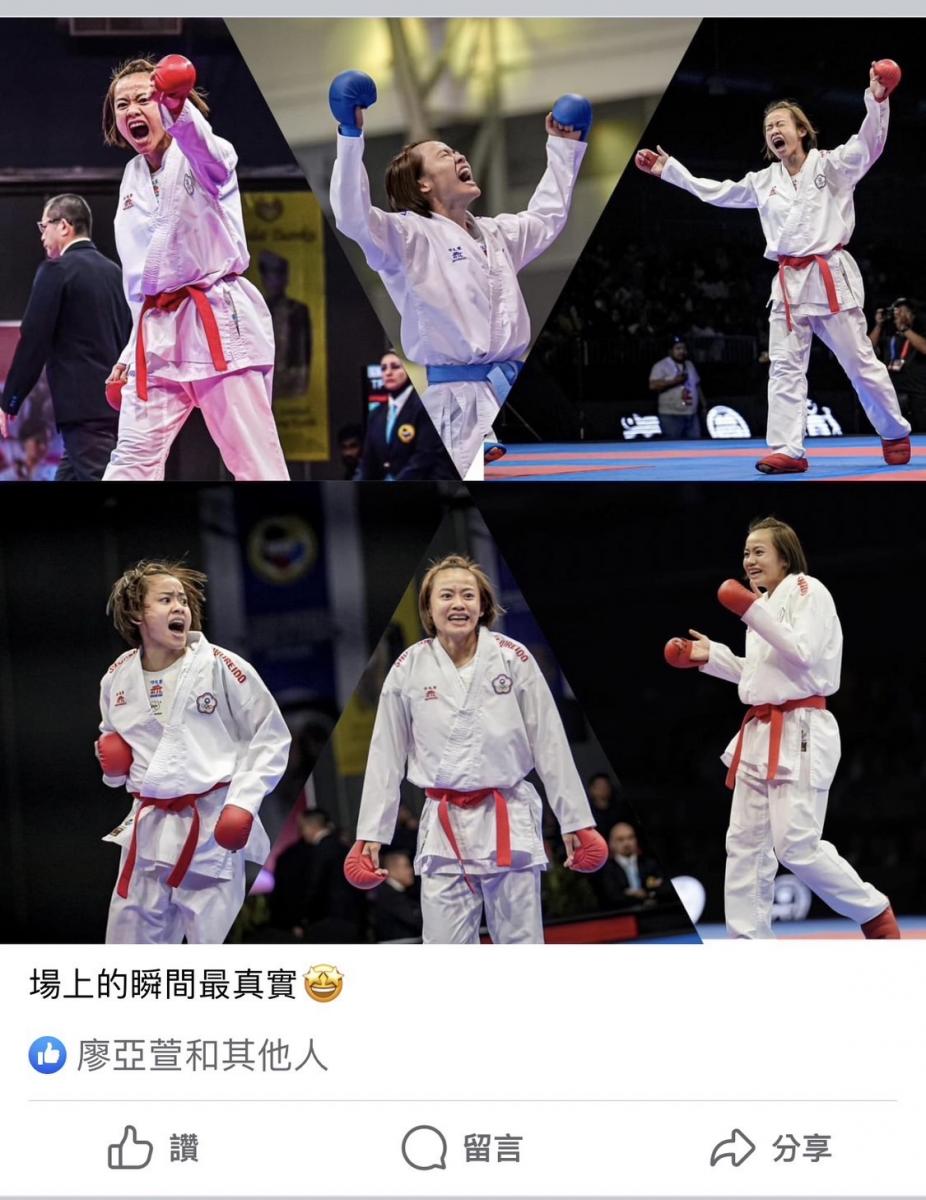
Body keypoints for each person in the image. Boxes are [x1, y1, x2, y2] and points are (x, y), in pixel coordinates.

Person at [636, 63, 911, 473]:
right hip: (787, 284)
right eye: (768, 128)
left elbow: (869, 144)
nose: (773, 131)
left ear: (801, 130)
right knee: (784, 368)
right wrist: (670, 171)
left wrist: (878, 98)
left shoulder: (831, 166)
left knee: (859, 364)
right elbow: (719, 193)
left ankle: (893, 430)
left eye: (780, 124)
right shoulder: (764, 181)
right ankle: (788, 450)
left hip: (828, 275)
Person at [328, 70, 590, 480]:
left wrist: (563, 147)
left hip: (514, 385)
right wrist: (349, 134)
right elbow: (352, 217)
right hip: (457, 402)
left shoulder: (497, 233)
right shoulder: (406, 236)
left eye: (456, 151)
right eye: (445, 155)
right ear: (423, 184)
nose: (460, 157)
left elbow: (547, 217)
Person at [343, 553, 606, 944]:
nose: (458, 604)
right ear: (429, 608)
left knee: (521, 945)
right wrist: (371, 834)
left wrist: (576, 821)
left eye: (468, 595)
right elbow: (386, 756)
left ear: (483, 606)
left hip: (508, 817)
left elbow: (550, 743)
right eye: (446, 595)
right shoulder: (407, 668)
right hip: (444, 828)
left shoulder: (514, 659)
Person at [664, 517, 900, 939]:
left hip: (802, 727)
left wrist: (751, 611)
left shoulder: (809, 591)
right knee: (744, 845)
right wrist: (711, 656)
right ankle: (749, 944)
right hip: (760, 730)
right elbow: (761, 677)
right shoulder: (766, 605)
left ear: (785, 557)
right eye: (746, 553)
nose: (749, 560)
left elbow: (803, 654)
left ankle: (873, 911)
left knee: (796, 845)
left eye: (759, 552)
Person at [100, 55, 289, 481]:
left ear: (166, 102)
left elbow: (212, 155)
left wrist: (180, 106)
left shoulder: (205, 153)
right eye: (121, 105)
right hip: (156, 334)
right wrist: (130, 352)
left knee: (254, 464)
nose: (131, 111)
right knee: (130, 461)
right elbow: (139, 281)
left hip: (215, 321)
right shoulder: (131, 177)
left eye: (143, 99)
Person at [96, 560, 291, 943]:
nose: (180, 608)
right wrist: (113, 767)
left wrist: (244, 802)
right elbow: (110, 738)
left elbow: (271, 737)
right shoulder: (117, 676)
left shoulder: (223, 667)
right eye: (166, 600)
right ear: (136, 614)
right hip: (148, 830)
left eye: (183, 600)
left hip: (211, 828)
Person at [0, 194, 131, 480]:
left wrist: (10, 399)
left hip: (84, 414)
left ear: (64, 225)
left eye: (43, 226)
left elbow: (34, 340)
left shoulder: (56, 270)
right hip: (117, 408)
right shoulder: (115, 273)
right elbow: (129, 339)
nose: (41, 235)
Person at [355, 350, 458, 480]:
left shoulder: (426, 406)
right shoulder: (376, 415)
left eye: (395, 367)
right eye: (383, 368)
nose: (388, 372)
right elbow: (367, 463)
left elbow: (424, 457)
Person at [257, 249, 312, 399]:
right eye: (270, 274)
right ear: (263, 278)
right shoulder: (256, 309)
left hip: (291, 382)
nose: (275, 280)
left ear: (286, 278)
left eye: (279, 274)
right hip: (263, 382)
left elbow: (304, 351)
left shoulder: (298, 310)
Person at [869, 297, 926, 430]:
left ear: (912, 316)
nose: (899, 315)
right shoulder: (888, 335)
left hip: (918, 394)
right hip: (892, 393)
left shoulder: (920, 332)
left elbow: (924, 348)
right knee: (896, 433)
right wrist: (879, 325)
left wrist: (904, 329)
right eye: (897, 311)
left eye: (904, 311)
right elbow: (867, 349)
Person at [648, 336, 703, 439]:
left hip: (691, 414)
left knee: (695, 445)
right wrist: (674, 381)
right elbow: (653, 385)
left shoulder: (689, 364)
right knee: (673, 445)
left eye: (684, 348)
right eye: (678, 348)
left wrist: (704, 405)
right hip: (671, 415)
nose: (682, 351)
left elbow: (697, 385)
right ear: (670, 351)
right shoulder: (661, 365)